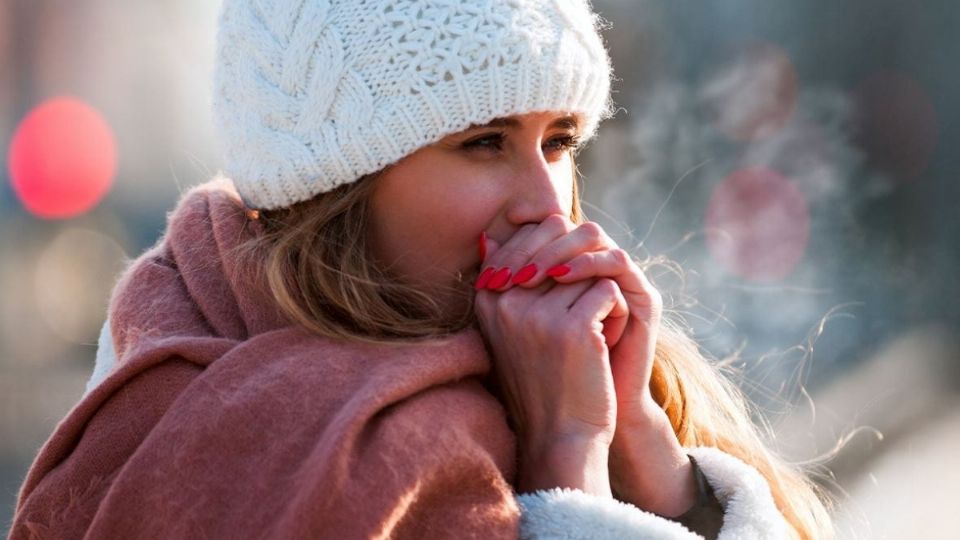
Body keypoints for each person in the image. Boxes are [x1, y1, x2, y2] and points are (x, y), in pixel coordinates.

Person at [9, 1, 834, 538]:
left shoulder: (593, 375)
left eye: (559, 142)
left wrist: (655, 465)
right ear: (337, 187)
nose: (547, 206)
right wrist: (565, 466)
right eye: (483, 143)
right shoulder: (206, 409)